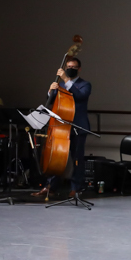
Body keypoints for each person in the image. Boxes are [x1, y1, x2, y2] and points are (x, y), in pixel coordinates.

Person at [32, 57, 92, 198]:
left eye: (74, 67)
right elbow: (52, 100)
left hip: (77, 127)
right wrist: (50, 91)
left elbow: (79, 96)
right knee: (56, 158)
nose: (71, 69)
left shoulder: (85, 84)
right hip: (60, 127)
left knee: (77, 158)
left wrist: (66, 79)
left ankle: (76, 188)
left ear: (79, 69)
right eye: (68, 66)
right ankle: (50, 187)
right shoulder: (61, 84)